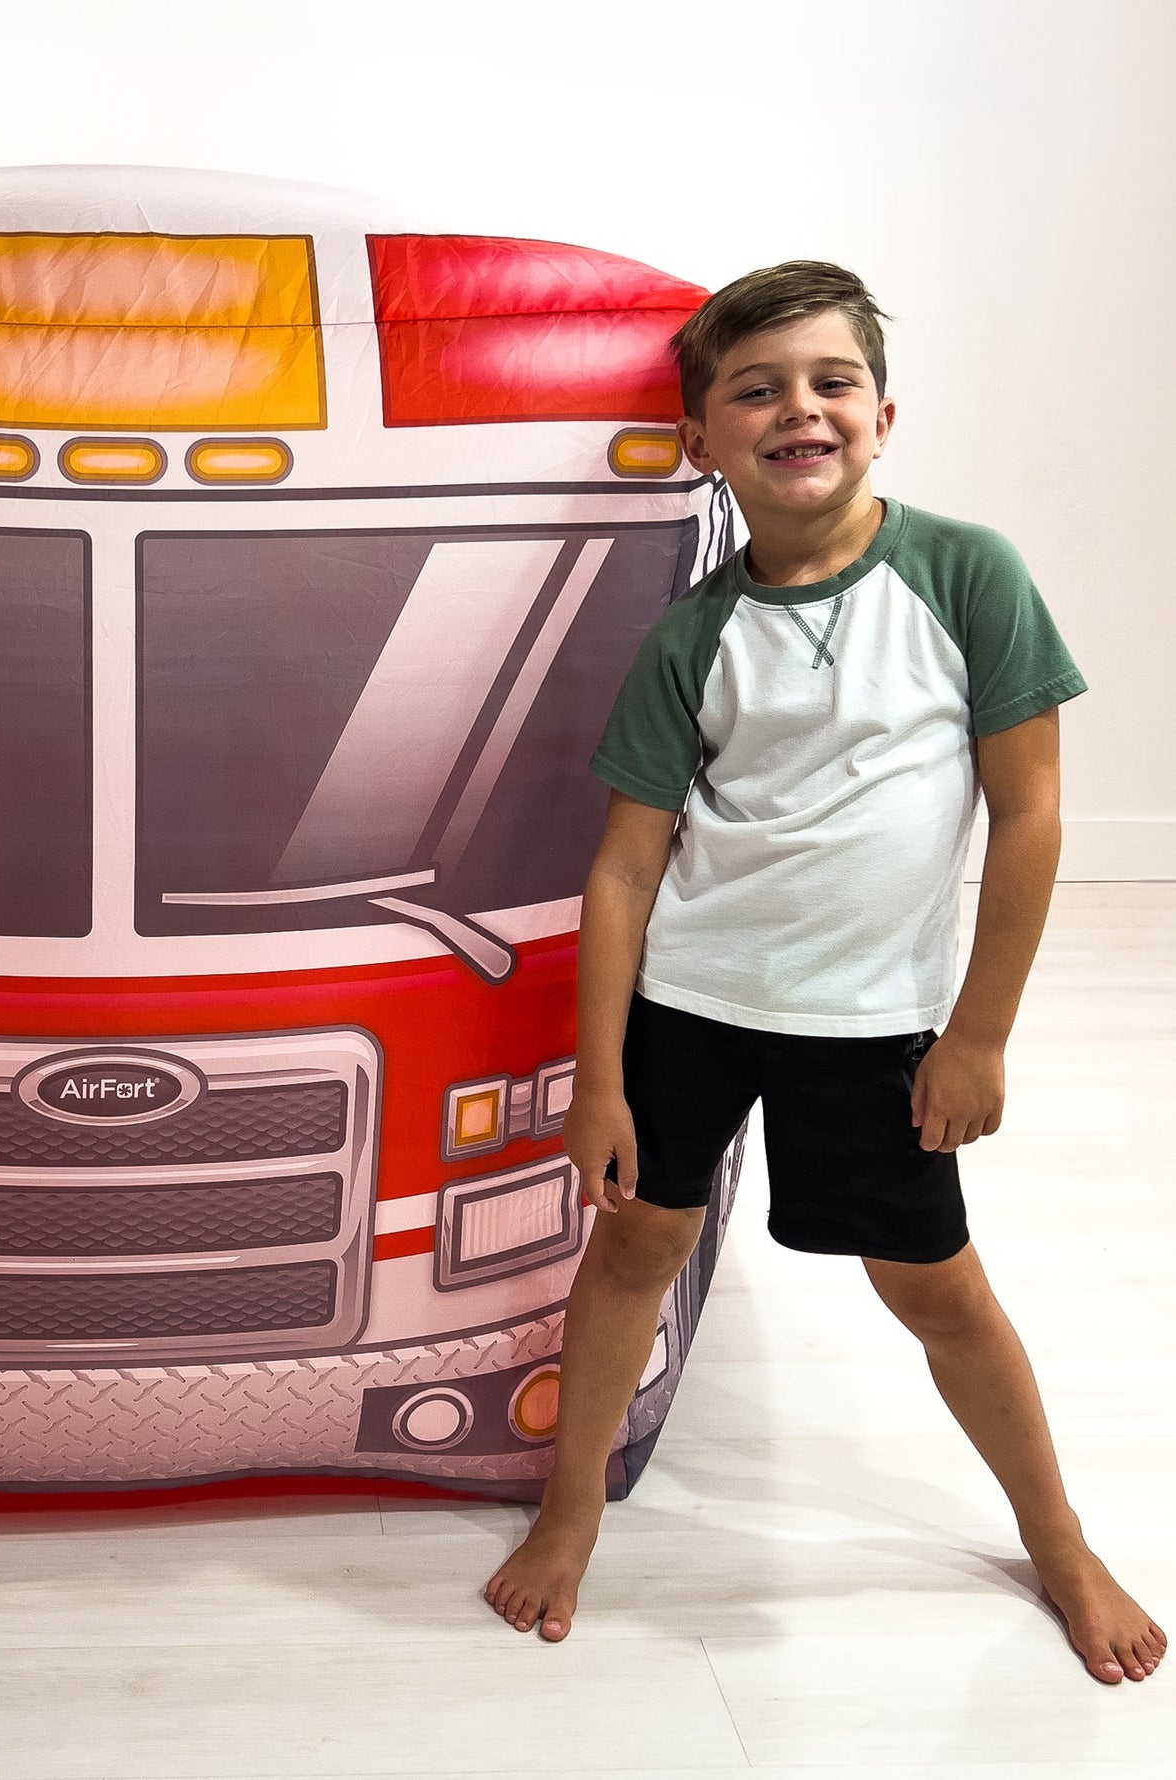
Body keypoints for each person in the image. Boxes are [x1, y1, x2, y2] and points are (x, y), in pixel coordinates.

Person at [482, 261, 1166, 1685]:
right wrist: (601, 1080)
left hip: (876, 1026)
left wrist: (978, 1035)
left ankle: (1057, 1538)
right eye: (757, 389)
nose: (800, 409)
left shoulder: (966, 574)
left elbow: (1032, 816)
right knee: (635, 1251)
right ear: (702, 440)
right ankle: (569, 1512)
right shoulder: (693, 635)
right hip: (692, 1007)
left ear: (883, 415)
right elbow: (623, 870)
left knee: (934, 1288)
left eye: (830, 381)